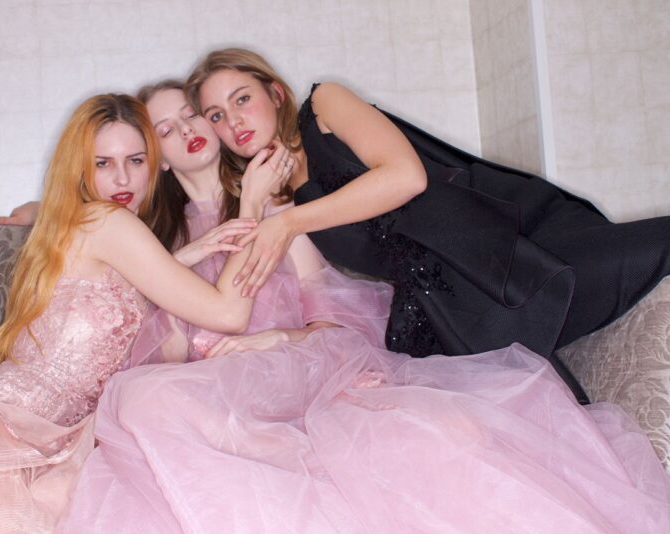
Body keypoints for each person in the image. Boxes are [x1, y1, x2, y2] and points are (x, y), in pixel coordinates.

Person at [57, 83, 670, 533]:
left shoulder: (283, 211)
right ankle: (283, 462)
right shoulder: (157, 246)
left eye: (195, 113)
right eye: (164, 129)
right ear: (157, 158)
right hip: (224, 392)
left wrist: (276, 336)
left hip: (300, 368)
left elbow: (334, 319)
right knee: (148, 405)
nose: (187, 127)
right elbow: (161, 348)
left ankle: (302, 455)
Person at [0, 93, 283, 533]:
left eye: (135, 160)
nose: (122, 177)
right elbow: (228, 314)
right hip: (21, 428)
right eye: (102, 163)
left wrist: (183, 257)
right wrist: (252, 203)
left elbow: (117, 295)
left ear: (153, 163)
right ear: (80, 168)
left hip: (53, 428)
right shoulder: (108, 222)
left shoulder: (81, 223)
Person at [185, 48, 670, 369]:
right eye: (217, 116)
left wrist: (290, 222)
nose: (234, 121)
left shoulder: (324, 106)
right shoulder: (277, 194)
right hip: (443, 309)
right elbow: (240, 294)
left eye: (242, 99)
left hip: (505, 243)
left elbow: (406, 177)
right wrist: (255, 201)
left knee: (652, 248)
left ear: (276, 94)